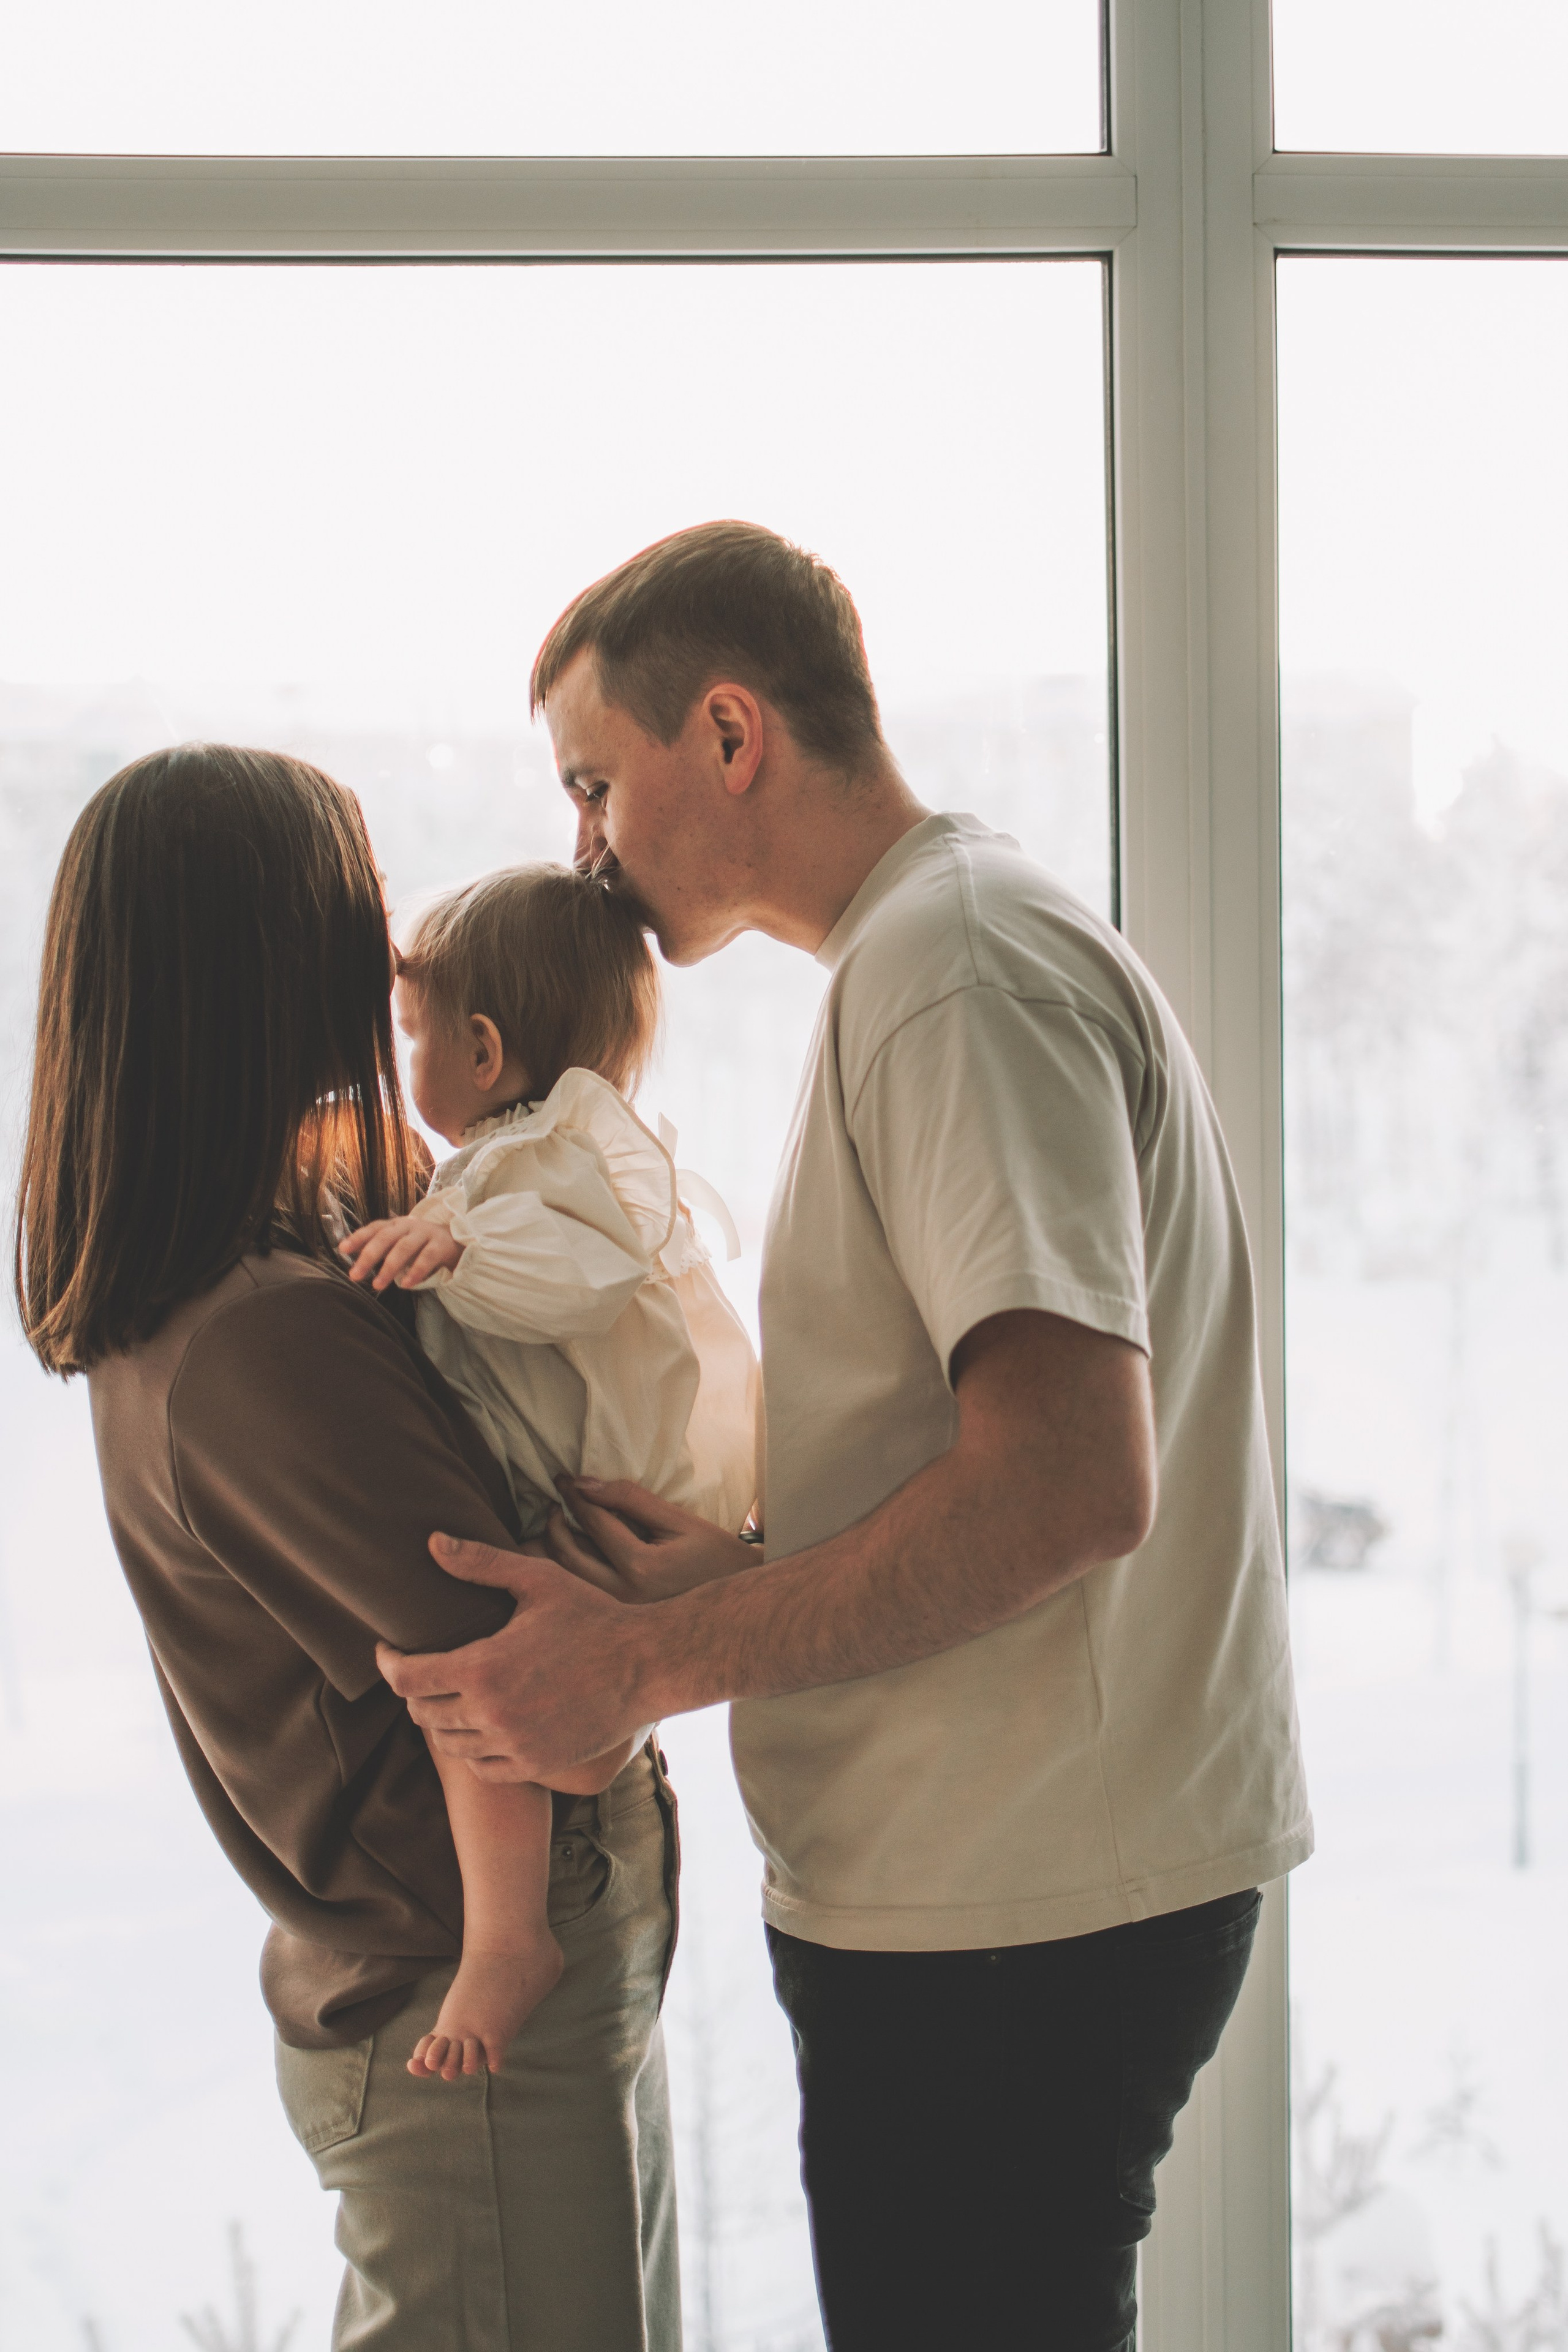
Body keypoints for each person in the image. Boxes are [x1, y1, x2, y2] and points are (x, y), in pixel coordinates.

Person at [380, 519, 1315, 2350]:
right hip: (1003, 1899)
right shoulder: (935, 953)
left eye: (594, 784)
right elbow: (981, 1460)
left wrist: (647, 1661)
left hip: (1014, 1922)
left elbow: (1067, 1485)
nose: (583, 849)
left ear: (729, 733)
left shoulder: (955, 976)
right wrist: (742, 1573)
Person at [14, 746, 682, 2352]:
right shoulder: (264, 1334)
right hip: (468, 1994)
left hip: (454, 1980)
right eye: (358, 914)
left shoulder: (260, 1249)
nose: (388, 958)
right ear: (269, 964)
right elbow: (532, 1691)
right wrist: (691, 1592)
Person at [340, 862, 758, 2084]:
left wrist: (454, 1246)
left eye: (410, 1033)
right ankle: (518, 1913)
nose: (397, 1059)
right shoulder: (533, 1151)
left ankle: (508, 1938)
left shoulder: (545, 1161)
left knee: (485, 1686)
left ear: (482, 1050)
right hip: (603, 1477)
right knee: (511, 1699)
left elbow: (576, 1276)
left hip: (603, 1490)